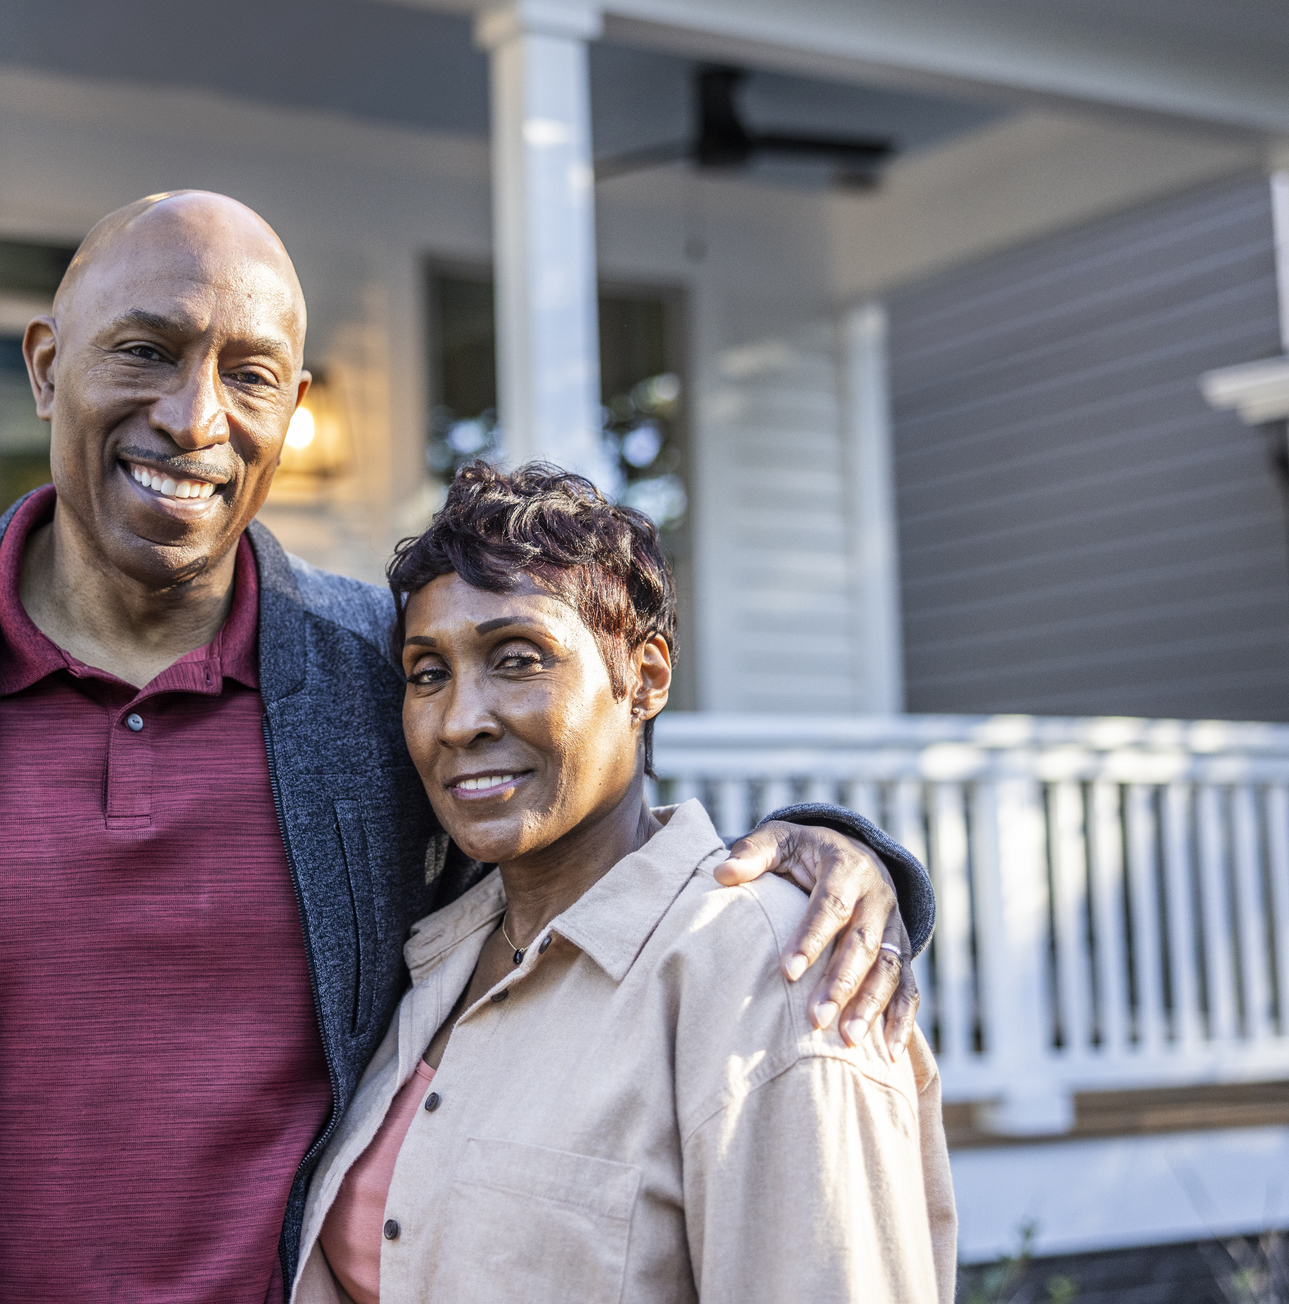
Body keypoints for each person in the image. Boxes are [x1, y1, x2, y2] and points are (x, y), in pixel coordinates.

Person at [0, 190, 935, 1302]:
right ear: (45, 361)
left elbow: (578, 824)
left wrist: (834, 852)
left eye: (248, 373)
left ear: (291, 409)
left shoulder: (377, 675)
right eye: (147, 349)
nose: (195, 418)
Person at [294, 460, 956, 1304]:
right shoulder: (435, 952)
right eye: (429, 673)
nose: (460, 720)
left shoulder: (776, 969)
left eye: (518, 658)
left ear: (643, 678)